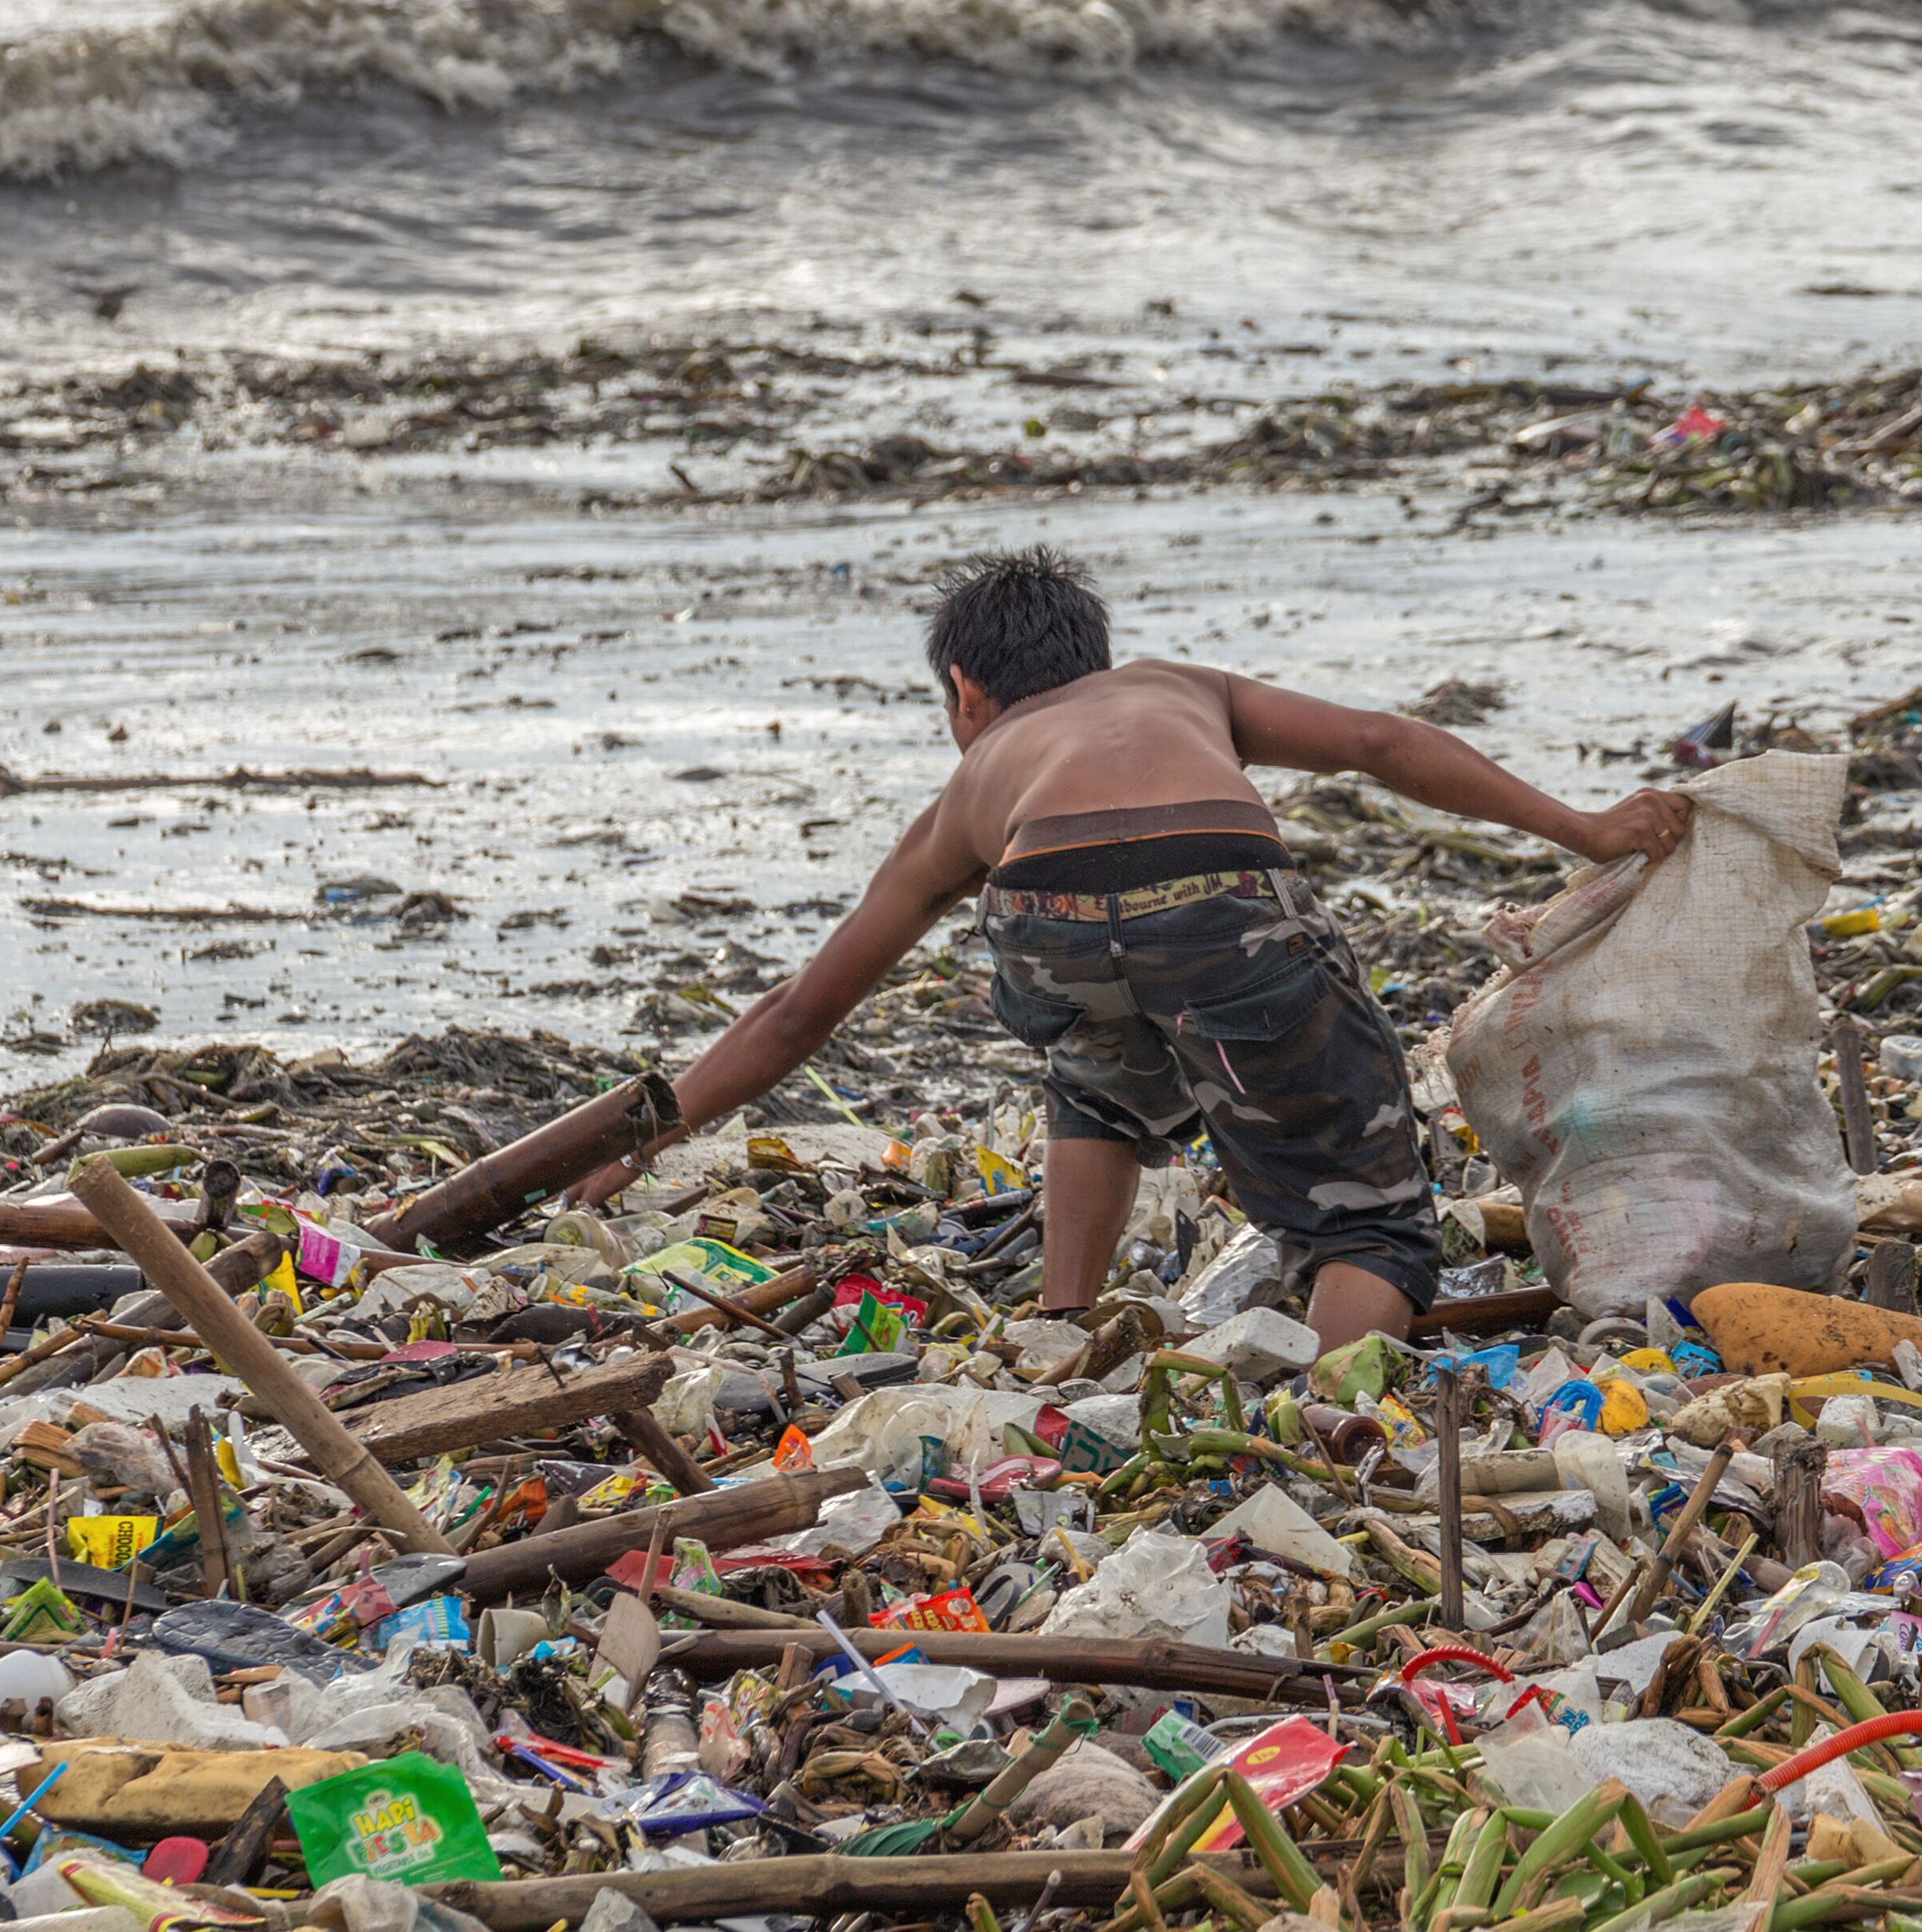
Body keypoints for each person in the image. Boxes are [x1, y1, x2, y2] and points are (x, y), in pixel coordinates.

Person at [586, 548, 1692, 1347]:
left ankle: (1062, 1328)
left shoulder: (973, 787)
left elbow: (800, 1012)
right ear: (1094, 658)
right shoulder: (1177, 688)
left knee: (1100, 1067)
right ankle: (1343, 1410)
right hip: (1223, 904)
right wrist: (1585, 830)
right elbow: (1376, 741)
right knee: (1366, 1215)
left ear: (967, 695)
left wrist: (644, 1134)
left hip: (1044, 915)